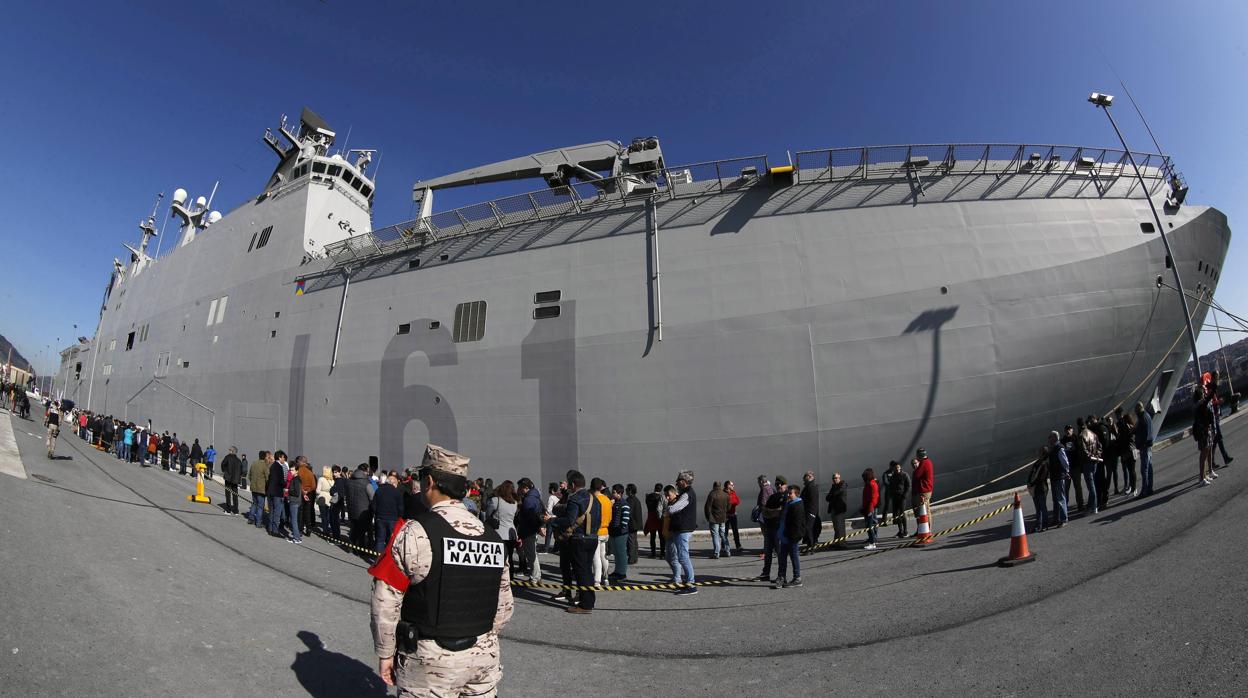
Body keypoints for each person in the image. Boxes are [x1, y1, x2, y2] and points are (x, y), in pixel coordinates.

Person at [370, 443, 513, 695]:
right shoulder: (492, 538)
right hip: (483, 658)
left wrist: (385, 653)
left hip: (429, 660)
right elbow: (504, 607)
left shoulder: (414, 532)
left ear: (429, 482)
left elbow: (385, 601)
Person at [544, 469, 600, 613]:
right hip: (593, 538)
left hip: (579, 539)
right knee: (587, 570)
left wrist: (552, 520)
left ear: (573, 484)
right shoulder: (595, 499)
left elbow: (570, 520)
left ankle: (585, 604)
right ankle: (587, 600)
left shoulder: (575, 499)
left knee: (581, 572)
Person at [665, 470, 698, 594]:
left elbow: (674, 509)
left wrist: (668, 508)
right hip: (683, 528)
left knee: (683, 557)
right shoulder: (687, 493)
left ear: (683, 482)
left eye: (678, 481)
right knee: (682, 556)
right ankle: (688, 582)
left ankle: (691, 584)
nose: (676, 483)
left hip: (683, 529)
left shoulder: (686, 494)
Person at [755, 476, 787, 581]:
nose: (778, 486)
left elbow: (786, 513)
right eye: (777, 484)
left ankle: (781, 575)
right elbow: (765, 511)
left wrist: (773, 512)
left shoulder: (788, 496)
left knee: (780, 553)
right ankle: (765, 573)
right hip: (770, 526)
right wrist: (777, 511)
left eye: (781, 484)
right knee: (768, 552)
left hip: (780, 528)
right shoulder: (774, 496)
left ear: (785, 484)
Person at [773, 485, 804, 588]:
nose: (788, 495)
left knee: (794, 557)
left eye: (791, 493)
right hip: (784, 536)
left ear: (796, 494)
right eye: (788, 493)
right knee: (782, 558)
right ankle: (782, 577)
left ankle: (797, 578)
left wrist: (792, 536)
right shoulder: (789, 503)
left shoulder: (797, 505)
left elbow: (797, 525)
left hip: (791, 537)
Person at [515, 478, 544, 581]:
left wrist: (537, 528)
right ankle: (536, 575)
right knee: (532, 553)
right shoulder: (536, 497)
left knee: (531, 555)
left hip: (529, 530)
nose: (519, 489)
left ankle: (535, 577)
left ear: (526, 488)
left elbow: (530, 516)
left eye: (520, 487)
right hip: (532, 529)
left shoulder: (528, 499)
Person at [488, 481, 519, 574]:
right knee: (509, 557)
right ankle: (511, 577)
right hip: (511, 534)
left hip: (498, 533)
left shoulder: (495, 500)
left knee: (498, 558)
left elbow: (488, 515)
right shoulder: (515, 503)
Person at [589, 478, 613, 586]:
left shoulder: (593, 500)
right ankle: (606, 577)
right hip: (606, 531)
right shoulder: (607, 500)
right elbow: (610, 517)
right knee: (603, 556)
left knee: (596, 557)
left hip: (596, 532)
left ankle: (597, 580)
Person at [373, 472, 404, 552]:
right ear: (393, 483)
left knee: (380, 539)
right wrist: (399, 516)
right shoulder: (397, 492)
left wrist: (377, 514)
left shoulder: (378, 490)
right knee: (391, 540)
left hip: (380, 518)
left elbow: (374, 505)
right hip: (393, 519)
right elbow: (400, 507)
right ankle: (388, 558)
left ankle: (378, 558)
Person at [347, 463, 375, 549]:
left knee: (353, 529)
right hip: (364, 511)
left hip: (351, 509)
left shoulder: (349, 481)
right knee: (362, 532)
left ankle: (351, 547)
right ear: (365, 471)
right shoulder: (367, 483)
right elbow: (372, 497)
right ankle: (362, 550)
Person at [1046, 431, 1070, 527]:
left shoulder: (1059, 448)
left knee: (1060, 498)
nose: (1048, 439)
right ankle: (1056, 518)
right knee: (1055, 499)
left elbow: (1065, 462)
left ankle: (1064, 519)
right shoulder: (1053, 449)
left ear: (1055, 438)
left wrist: (1066, 472)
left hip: (1059, 476)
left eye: (1050, 437)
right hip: (1054, 476)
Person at [607, 484, 631, 582]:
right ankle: (617, 571)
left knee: (621, 554)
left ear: (620, 493)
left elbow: (625, 519)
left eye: (614, 492)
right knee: (616, 554)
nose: (612, 494)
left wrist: (621, 528)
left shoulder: (624, 504)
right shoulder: (613, 503)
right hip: (613, 532)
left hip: (620, 533)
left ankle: (622, 574)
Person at [1193, 385, 1216, 486]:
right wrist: (1214, 388)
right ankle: (1201, 478)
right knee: (1204, 453)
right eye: (1203, 393)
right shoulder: (1201, 404)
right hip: (1203, 432)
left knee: (1207, 451)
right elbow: (1209, 398)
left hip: (1205, 430)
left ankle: (1205, 475)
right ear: (1201, 395)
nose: (1205, 394)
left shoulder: (1200, 404)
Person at [882, 460, 910, 537]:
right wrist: (891, 493)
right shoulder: (892, 476)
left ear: (900, 468)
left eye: (898, 467)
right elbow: (889, 485)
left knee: (902, 513)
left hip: (901, 497)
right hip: (894, 497)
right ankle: (900, 531)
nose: (897, 469)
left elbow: (908, 485)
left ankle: (905, 531)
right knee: (897, 514)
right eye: (896, 468)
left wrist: (905, 494)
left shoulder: (905, 475)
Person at [703, 481, 730, 558]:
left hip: (714, 518)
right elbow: (729, 507)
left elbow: (707, 507)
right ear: (720, 486)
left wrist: (708, 517)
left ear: (714, 486)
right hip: (723, 518)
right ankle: (728, 551)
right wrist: (725, 513)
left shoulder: (712, 494)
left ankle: (716, 553)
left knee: (715, 536)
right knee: (723, 534)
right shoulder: (725, 495)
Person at [1027, 443, 1050, 533]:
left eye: (1040, 451)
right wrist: (1028, 482)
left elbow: (1042, 477)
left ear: (1043, 453)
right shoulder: (1037, 463)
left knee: (1042, 507)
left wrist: (1031, 483)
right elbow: (1031, 473)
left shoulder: (1045, 464)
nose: (1038, 453)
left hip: (1041, 488)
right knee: (1038, 508)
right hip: (1035, 488)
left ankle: (1044, 525)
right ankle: (1038, 525)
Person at [267, 451, 290, 537]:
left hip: (270, 491)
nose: (284, 459)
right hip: (277, 492)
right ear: (280, 457)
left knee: (271, 511)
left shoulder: (272, 466)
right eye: (283, 457)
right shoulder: (279, 467)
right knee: (277, 512)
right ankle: (275, 531)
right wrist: (285, 484)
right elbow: (280, 481)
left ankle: (270, 529)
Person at [911, 448, 934, 531]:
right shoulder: (928, 462)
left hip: (924, 490)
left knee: (925, 511)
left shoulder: (923, 463)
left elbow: (917, 474)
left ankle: (927, 530)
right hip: (927, 489)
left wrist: (916, 469)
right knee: (925, 510)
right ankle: (924, 529)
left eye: (917, 456)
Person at [1134, 402, 1155, 497]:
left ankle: (1144, 490)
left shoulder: (1142, 418)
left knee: (1144, 469)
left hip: (1144, 446)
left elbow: (1144, 432)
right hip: (1149, 445)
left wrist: (1141, 443)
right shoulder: (1147, 415)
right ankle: (1150, 488)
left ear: (1138, 409)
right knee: (1149, 468)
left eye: (1136, 410)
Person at [247, 451, 271, 527]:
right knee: (260, 506)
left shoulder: (254, 463)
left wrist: (253, 482)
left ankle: (250, 518)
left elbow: (249, 475)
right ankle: (258, 522)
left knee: (254, 503)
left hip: (253, 487)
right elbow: (268, 477)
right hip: (261, 488)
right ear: (264, 457)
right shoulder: (265, 465)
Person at [825, 473, 847, 548]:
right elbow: (827, 497)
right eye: (833, 478)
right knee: (836, 527)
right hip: (833, 509)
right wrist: (832, 495)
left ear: (839, 478)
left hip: (839, 509)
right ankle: (837, 542)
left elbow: (836, 493)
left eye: (836, 478)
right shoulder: (834, 486)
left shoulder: (842, 485)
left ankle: (842, 544)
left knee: (840, 527)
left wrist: (832, 495)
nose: (834, 479)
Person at [1118, 410, 1138, 496]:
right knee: (1132, 470)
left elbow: (1124, 438)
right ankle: (1133, 488)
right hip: (1133, 450)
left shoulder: (1126, 427)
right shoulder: (1132, 426)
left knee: (1131, 470)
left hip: (1128, 450)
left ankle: (1133, 488)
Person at [861, 468, 881, 550]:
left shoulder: (872, 484)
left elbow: (873, 498)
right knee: (868, 526)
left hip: (870, 508)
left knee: (870, 526)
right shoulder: (869, 484)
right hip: (867, 507)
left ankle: (872, 543)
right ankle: (872, 540)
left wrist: (870, 509)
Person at [220, 446, 244, 515]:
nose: (229, 451)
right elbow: (242, 471)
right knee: (235, 495)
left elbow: (223, 464)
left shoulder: (227, 457)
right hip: (236, 480)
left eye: (230, 450)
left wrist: (225, 471)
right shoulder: (239, 461)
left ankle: (228, 510)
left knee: (228, 494)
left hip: (228, 479)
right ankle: (236, 510)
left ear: (232, 451)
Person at [286, 459, 304, 544]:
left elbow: (296, 492)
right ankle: (296, 536)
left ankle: (296, 538)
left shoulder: (296, 479)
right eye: (290, 470)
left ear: (297, 471)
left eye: (292, 470)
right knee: (294, 519)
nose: (291, 471)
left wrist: (288, 490)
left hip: (294, 502)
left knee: (293, 520)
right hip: (295, 501)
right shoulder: (296, 479)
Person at [800, 471, 821, 546]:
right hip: (809, 511)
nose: (803, 479)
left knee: (808, 528)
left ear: (809, 477)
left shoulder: (811, 487)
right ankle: (811, 542)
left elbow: (812, 502)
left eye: (804, 477)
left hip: (810, 511)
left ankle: (810, 546)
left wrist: (812, 513)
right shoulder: (808, 486)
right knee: (810, 528)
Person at [643, 483, 663, 559]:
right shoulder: (661, 497)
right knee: (661, 537)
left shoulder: (649, 496)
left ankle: (653, 553)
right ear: (661, 489)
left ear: (654, 488)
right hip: (659, 518)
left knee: (652, 537)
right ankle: (662, 553)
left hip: (651, 517)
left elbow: (647, 504)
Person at [625, 483, 643, 566]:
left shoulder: (630, 500)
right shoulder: (636, 499)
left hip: (631, 524)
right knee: (634, 541)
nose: (625, 490)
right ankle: (635, 557)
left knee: (631, 542)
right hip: (635, 523)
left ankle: (631, 558)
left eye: (627, 489)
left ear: (630, 491)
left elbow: (628, 512)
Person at [724, 480, 743, 553]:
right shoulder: (723, 493)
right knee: (725, 532)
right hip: (726, 515)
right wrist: (732, 502)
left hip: (733, 515)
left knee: (735, 531)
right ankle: (724, 546)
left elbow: (737, 501)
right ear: (728, 486)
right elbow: (726, 503)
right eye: (732, 485)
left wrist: (732, 502)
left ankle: (738, 545)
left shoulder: (733, 492)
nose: (733, 486)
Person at [543, 482, 561, 554]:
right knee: (556, 534)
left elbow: (549, 509)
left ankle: (546, 549)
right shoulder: (559, 497)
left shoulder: (551, 497)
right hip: (558, 518)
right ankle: (555, 549)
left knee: (548, 534)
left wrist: (546, 510)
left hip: (551, 518)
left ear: (552, 489)